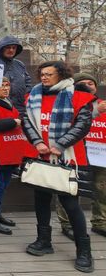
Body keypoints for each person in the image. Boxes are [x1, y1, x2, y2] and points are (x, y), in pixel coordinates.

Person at [22, 61, 96, 273]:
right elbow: (27, 121)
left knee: (70, 204)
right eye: (42, 74)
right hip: (41, 155)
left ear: (61, 75)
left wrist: (60, 145)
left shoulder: (79, 95)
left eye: (49, 74)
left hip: (67, 157)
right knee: (41, 201)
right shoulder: (34, 94)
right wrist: (38, 142)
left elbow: (83, 124)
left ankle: (84, 250)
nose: (44, 77)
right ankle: (43, 241)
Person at [0, 77, 35, 235]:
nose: (5, 88)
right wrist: (12, 122)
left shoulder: (9, 103)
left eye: (7, 85)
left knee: (3, 186)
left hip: (10, 151)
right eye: (1, 86)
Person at [57, 72, 106, 240]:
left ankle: (100, 222)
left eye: (91, 82)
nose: (88, 85)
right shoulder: (67, 104)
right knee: (70, 189)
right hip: (75, 154)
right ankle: (68, 224)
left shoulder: (103, 104)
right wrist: (95, 112)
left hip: (101, 155)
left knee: (102, 190)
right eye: (83, 82)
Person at [0, 36, 32, 114]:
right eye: (8, 47)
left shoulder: (20, 64)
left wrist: (28, 98)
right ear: (2, 48)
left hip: (21, 109)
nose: (11, 50)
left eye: (14, 48)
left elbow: (28, 83)